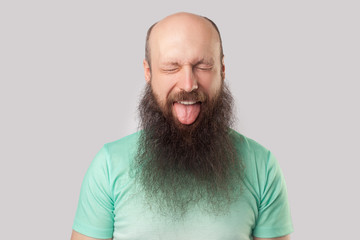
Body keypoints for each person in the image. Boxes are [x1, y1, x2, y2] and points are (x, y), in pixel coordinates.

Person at [71, 12, 293, 240]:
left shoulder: (262, 167)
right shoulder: (108, 166)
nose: (188, 84)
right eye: (170, 67)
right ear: (148, 72)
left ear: (223, 70)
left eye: (203, 66)